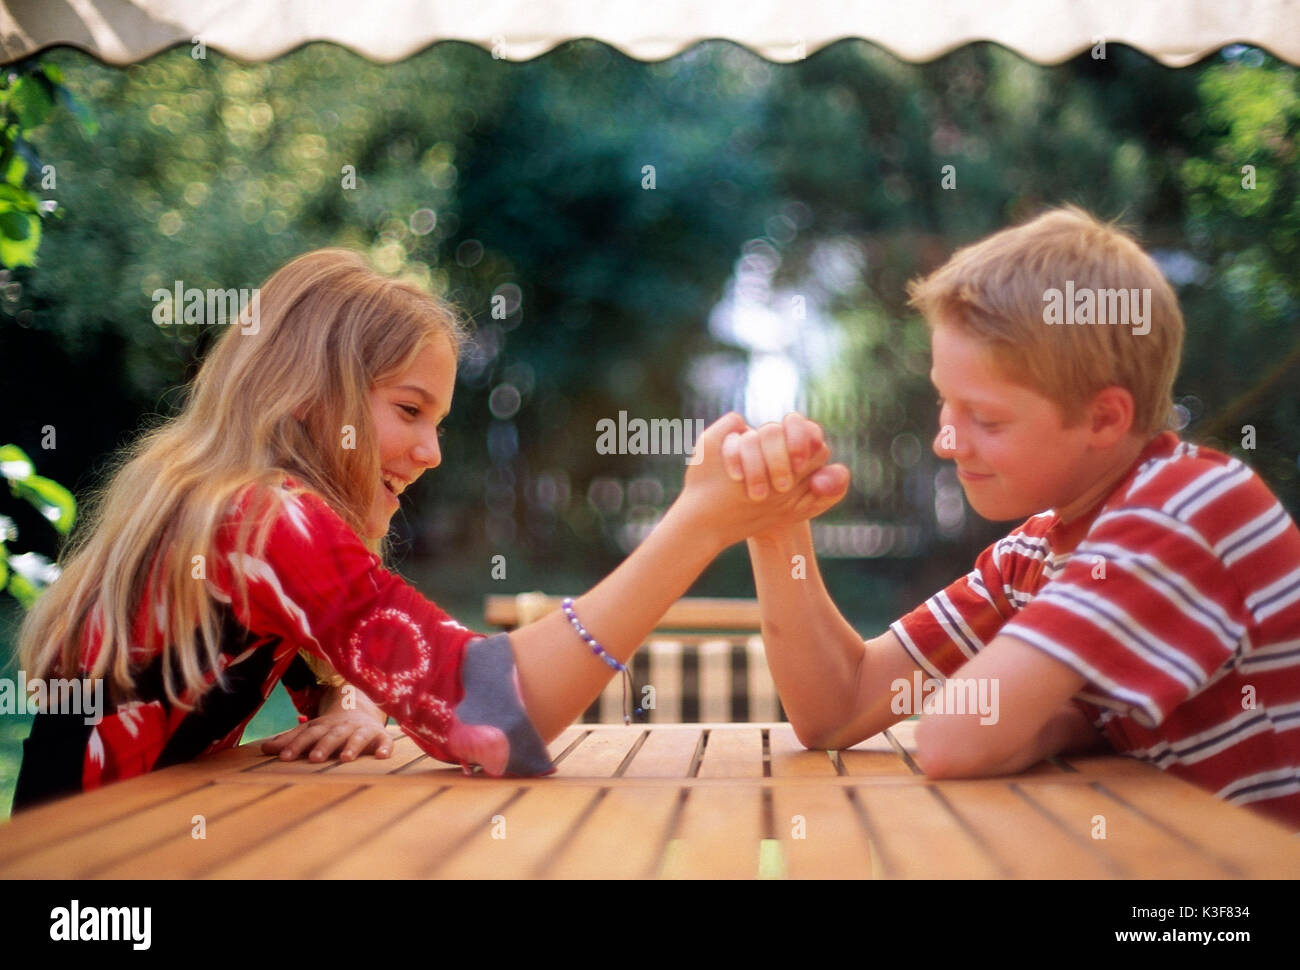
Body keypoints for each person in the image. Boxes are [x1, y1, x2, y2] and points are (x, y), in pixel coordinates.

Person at [12, 248, 842, 810]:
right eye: (410, 410)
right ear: (306, 391)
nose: (432, 451)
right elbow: (490, 716)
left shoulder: (215, 502)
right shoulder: (261, 519)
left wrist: (351, 703)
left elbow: (339, 667)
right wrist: (695, 526)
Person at [719, 206, 1300, 830]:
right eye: (946, 400)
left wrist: (1063, 725)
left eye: (986, 419)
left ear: (1105, 418)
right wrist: (777, 526)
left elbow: (951, 739)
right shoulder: (1034, 553)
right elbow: (838, 707)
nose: (946, 441)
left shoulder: (1186, 509)